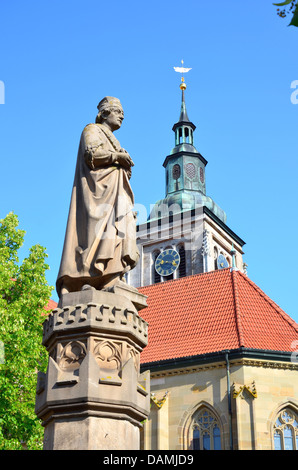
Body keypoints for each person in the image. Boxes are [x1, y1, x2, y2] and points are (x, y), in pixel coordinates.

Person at [56, 97, 139, 297]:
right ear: (104, 113)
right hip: (96, 194)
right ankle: (89, 277)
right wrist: (117, 157)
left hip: (116, 194)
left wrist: (124, 166)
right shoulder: (91, 130)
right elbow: (90, 155)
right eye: (118, 111)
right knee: (93, 234)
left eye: (122, 113)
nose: (122, 116)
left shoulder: (114, 139)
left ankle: (111, 275)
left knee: (118, 229)